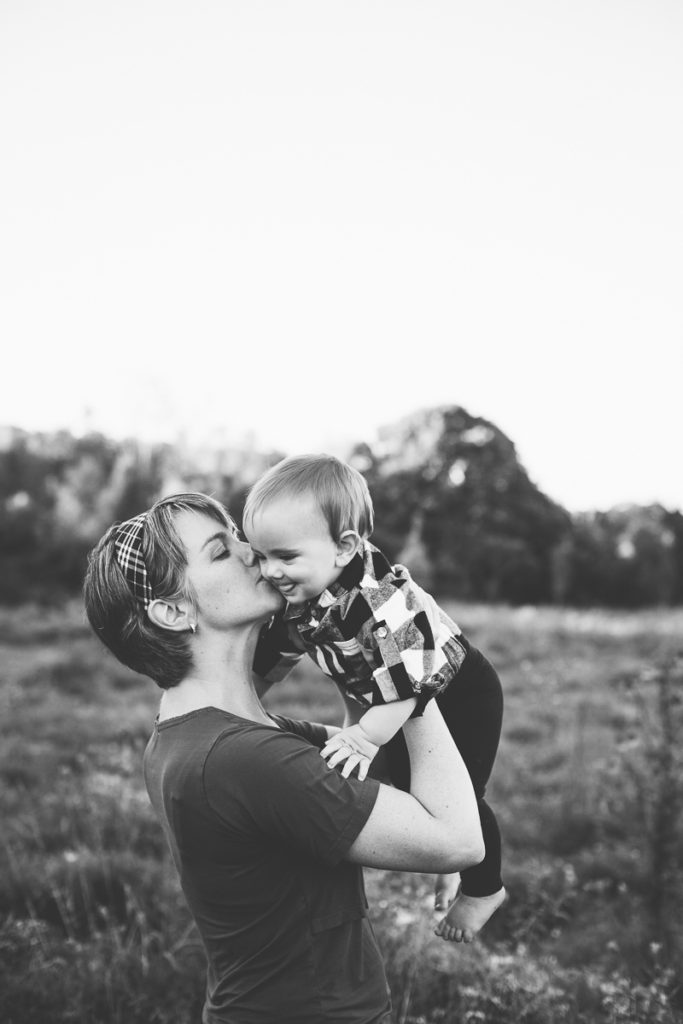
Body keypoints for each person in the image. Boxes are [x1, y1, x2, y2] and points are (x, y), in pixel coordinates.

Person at [83, 491, 484, 1024]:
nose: (252, 551)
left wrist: (360, 647)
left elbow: (381, 780)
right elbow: (457, 839)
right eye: (221, 551)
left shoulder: (206, 734)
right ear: (173, 611)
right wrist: (408, 663)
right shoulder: (243, 758)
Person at [244, 455, 506, 944]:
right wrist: (241, 701)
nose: (269, 571)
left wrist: (364, 737)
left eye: (284, 556)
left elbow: (410, 683)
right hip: (394, 695)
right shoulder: (303, 592)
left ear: (344, 547)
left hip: (457, 690)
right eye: (260, 556)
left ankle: (484, 888)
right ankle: (448, 864)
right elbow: (273, 657)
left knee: (460, 794)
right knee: (408, 783)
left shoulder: (378, 601)